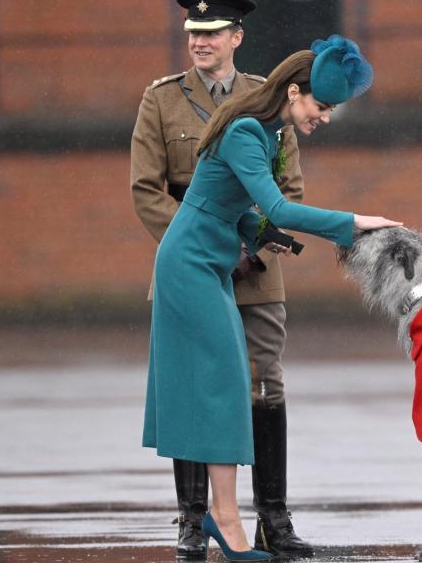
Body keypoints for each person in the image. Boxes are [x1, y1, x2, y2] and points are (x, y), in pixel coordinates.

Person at [141, 34, 401, 562]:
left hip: (203, 263)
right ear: (294, 92)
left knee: (223, 387)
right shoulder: (245, 132)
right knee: (226, 387)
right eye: (321, 106)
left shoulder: (260, 132)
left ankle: (222, 516)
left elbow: (220, 200)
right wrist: (354, 222)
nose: (324, 118)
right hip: (190, 265)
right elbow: (278, 207)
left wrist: (258, 234)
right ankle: (225, 521)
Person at [131, 0, 314, 559]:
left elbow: (289, 190)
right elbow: (146, 190)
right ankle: (193, 516)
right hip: (193, 259)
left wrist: (249, 242)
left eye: (212, 34)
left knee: (264, 383)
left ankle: (274, 518)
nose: (200, 43)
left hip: (254, 266)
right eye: (193, 34)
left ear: (236, 37)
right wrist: (214, 240)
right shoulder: (161, 100)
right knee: (190, 383)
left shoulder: (268, 101)